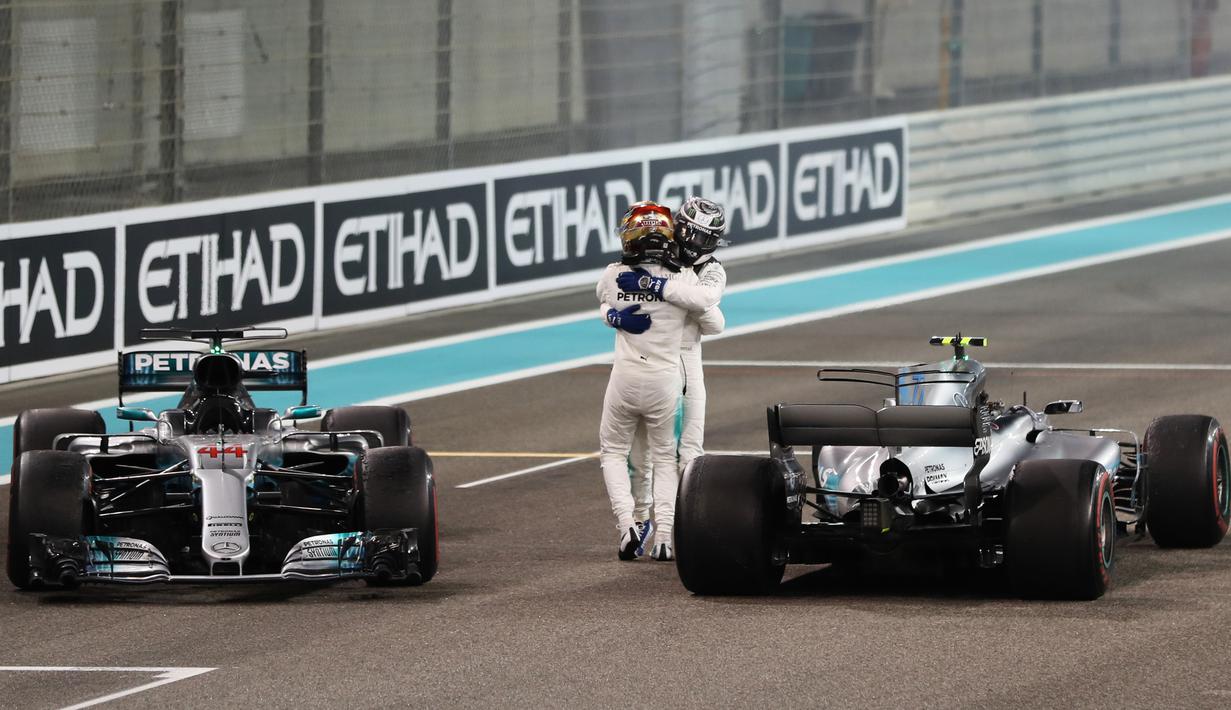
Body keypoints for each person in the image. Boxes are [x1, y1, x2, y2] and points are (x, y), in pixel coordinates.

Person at [595, 201, 718, 560]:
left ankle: (628, 526)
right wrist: (669, 299)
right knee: (667, 458)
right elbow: (714, 320)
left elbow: (602, 300)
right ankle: (665, 536)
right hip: (668, 380)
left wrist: (617, 314)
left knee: (617, 454)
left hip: (626, 378)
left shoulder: (613, 274)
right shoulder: (685, 280)